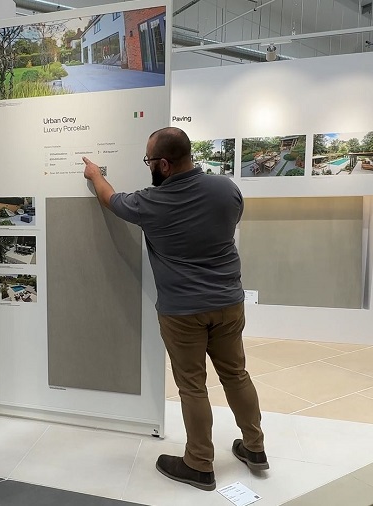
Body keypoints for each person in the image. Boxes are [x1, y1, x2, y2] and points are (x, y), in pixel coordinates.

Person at [82, 127, 268, 492]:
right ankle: (255, 447)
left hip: (182, 311)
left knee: (193, 387)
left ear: (164, 164)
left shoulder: (149, 202)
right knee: (236, 374)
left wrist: (96, 175)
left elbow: (110, 199)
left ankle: (199, 464)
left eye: (149, 161)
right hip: (229, 302)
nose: (149, 166)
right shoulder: (226, 189)